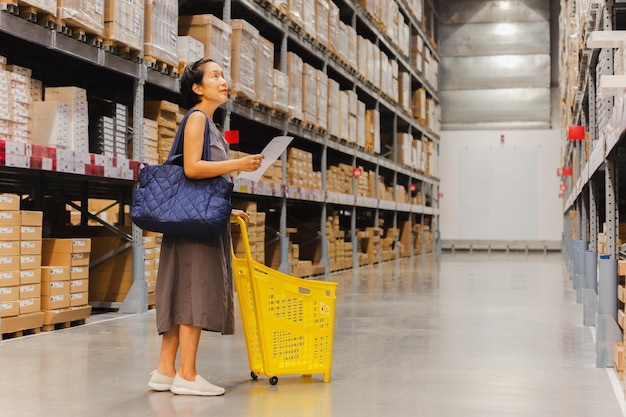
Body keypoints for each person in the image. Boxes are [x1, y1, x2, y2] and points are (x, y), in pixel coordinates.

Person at [147, 57, 264, 396]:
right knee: (194, 291)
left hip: (195, 219)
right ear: (198, 88)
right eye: (215, 76)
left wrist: (227, 210)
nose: (222, 80)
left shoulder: (211, 124)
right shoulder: (197, 118)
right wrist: (239, 163)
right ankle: (187, 374)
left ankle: (165, 370)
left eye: (223, 75)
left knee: (182, 290)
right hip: (193, 227)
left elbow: (202, 184)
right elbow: (193, 169)